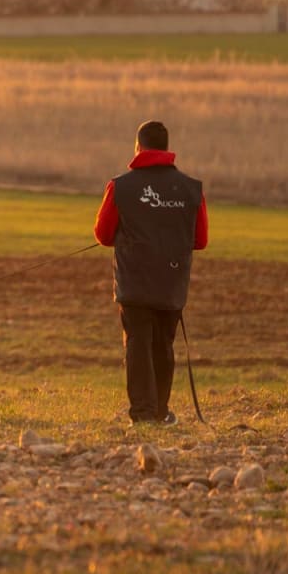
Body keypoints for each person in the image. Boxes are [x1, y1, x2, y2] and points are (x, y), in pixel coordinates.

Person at [94, 120, 208, 426]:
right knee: (163, 345)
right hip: (171, 283)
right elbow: (200, 240)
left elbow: (103, 235)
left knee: (138, 345)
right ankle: (160, 412)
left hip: (134, 281)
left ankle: (142, 414)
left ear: (138, 147)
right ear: (167, 149)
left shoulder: (120, 186)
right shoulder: (191, 189)